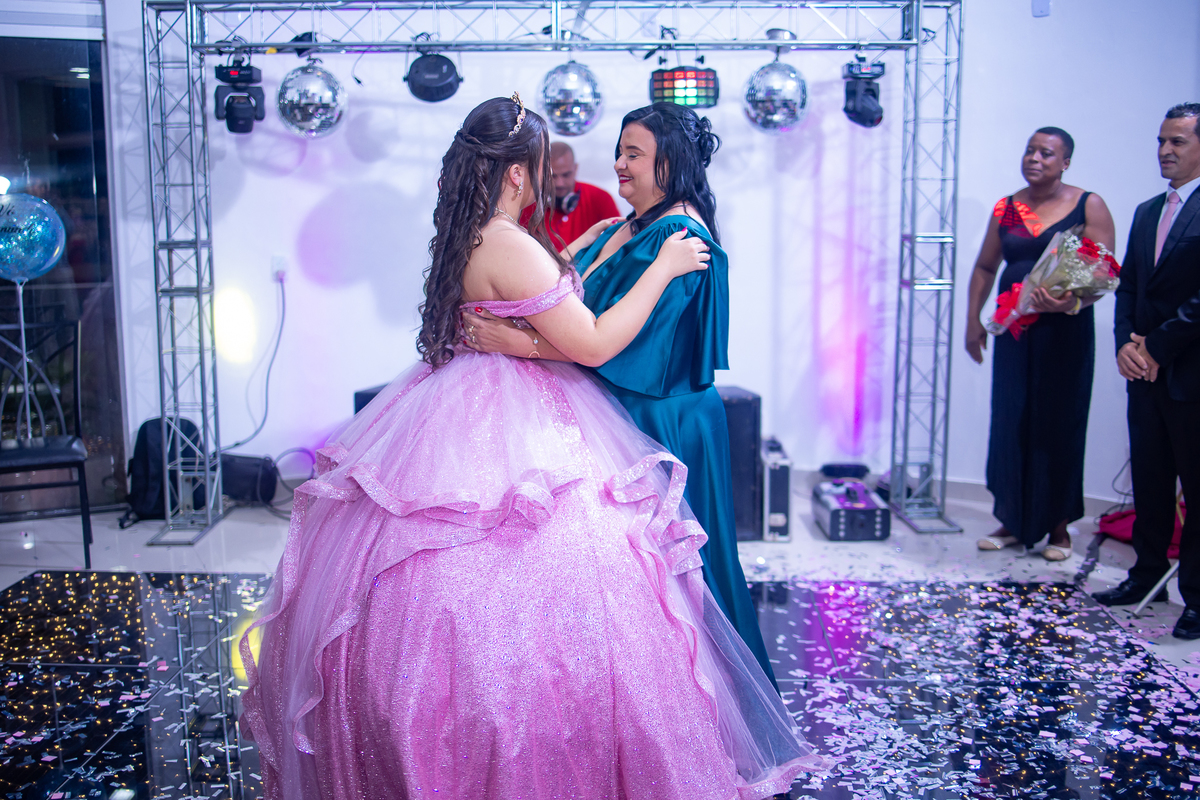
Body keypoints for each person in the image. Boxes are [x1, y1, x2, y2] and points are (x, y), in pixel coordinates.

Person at [239, 95, 822, 799]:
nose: (553, 179)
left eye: (632, 154)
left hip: (462, 407)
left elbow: (529, 297)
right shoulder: (512, 243)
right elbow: (592, 344)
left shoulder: (470, 233)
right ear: (516, 173)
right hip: (520, 415)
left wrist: (581, 258)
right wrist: (660, 267)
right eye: (541, 166)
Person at [465, 102, 777, 686]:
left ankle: (714, 707)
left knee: (685, 577)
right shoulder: (628, 226)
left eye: (634, 153)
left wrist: (518, 342)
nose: (618, 164)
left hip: (664, 420)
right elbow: (573, 307)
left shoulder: (680, 237)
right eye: (619, 151)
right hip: (625, 413)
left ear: (670, 163)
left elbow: (624, 349)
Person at [964, 127, 1116, 562]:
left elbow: (1104, 272)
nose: (1034, 158)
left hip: (1063, 335)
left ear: (1065, 162)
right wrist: (973, 321)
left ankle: (1058, 527)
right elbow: (985, 267)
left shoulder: (1088, 205)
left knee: (1058, 422)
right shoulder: (1008, 207)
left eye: (1046, 153)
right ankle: (1012, 519)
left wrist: (1071, 301)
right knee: (1011, 418)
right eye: (1029, 150)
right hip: (1014, 330)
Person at [1094, 103, 1200, 640]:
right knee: (1151, 481)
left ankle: (1197, 598)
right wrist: (1124, 347)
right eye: (1161, 140)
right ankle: (1146, 574)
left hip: (1190, 374)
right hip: (1144, 373)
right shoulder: (1146, 210)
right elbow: (1129, 287)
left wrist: (1155, 346)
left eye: (1177, 141)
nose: (1165, 150)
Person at [519, 141, 620, 247]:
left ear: (575, 169)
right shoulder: (528, 204)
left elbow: (617, 243)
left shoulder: (601, 199)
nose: (559, 183)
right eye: (552, 176)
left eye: (566, 175)